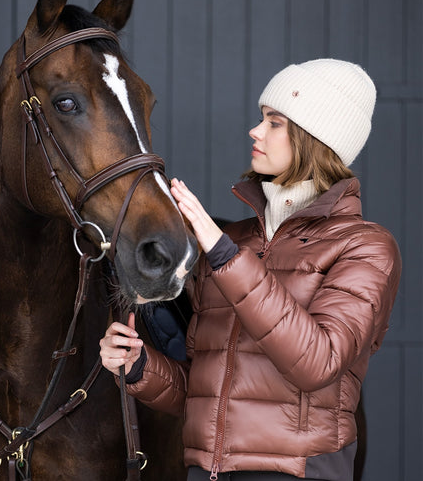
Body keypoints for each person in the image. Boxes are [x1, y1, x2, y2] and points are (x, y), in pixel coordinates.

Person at [99, 58, 402, 481]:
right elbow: (205, 392)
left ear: (317, 138)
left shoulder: (366, 247)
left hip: (298, 471)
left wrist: (223, 255)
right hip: (208, 472)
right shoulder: (236, 243)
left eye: (275, 122)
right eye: (262, 118)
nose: (255, 131)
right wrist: (139, 367)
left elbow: (317, 362)